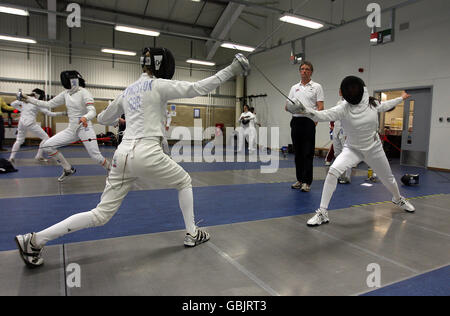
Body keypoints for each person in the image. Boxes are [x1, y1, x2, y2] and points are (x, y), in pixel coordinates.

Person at [14, 47, 250, 268]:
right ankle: (192, 232)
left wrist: (122, 117)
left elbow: (104, 118)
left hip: (122, 155)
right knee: (184, 181)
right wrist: (232, 69)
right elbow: (199, 88)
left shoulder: (127, 91)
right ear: (161, 66)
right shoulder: (158, 86)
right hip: (147, 152)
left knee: (100, 214)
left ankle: (34, 240)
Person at [290, 76, 415, 226]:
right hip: (353, 149)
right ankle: (323, 212)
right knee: (333, 171)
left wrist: (400, 98)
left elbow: (386, 105)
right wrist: (305, 110)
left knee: (388, 179)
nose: (352, 92)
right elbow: (323, 115)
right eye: (349, 90)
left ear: (361, 90)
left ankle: (397, 199)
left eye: (354, 89)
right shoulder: (343, 108)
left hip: (374, 148)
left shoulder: (372, 103)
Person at [19, 71, 110, 182]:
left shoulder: (84, 93)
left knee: (96, 156)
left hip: (84, 128)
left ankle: (111, 171)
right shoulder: (66, 94)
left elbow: (92, 112)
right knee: (47, 146)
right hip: (72, 130)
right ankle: (68, 169)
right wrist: (28, 99)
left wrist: (85, 117)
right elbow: (49, 104)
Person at [286, 61, 324, 192]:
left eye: (307, 69)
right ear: (299, 71)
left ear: (311, 72)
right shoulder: (293, 88)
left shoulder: (317, 87)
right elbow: (287, 106)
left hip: (309, 122)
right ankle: (300, 179)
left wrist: (315, 121)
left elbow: (320, 107)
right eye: (302, 69)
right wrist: (293, 108)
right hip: (296, 122)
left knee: (308, 153)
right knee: (298, 153)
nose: (304, 71)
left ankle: (307, 182)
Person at [8, 89, 65, 163]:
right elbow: (49, 114)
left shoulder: (25, 99)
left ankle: (11, 157)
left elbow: (12, 104)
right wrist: (63, 113)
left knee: (19, 140)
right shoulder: (37, 103)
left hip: (21, 122)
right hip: (30, 123)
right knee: (46, 138)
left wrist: (21, 110)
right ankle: (39, 156)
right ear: (39, 95)